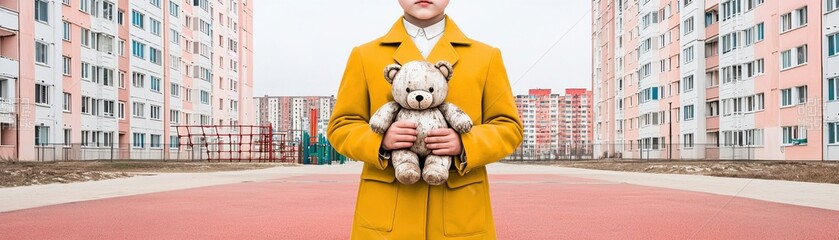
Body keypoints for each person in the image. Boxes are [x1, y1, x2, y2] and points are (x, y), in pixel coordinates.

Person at [327, 0, 523, 239]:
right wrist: (381, 141)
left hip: (459, 213)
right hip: (387, 215)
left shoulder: (486, 57)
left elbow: (508, 127)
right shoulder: (364, 55)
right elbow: (341, 126)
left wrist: (465, 143)